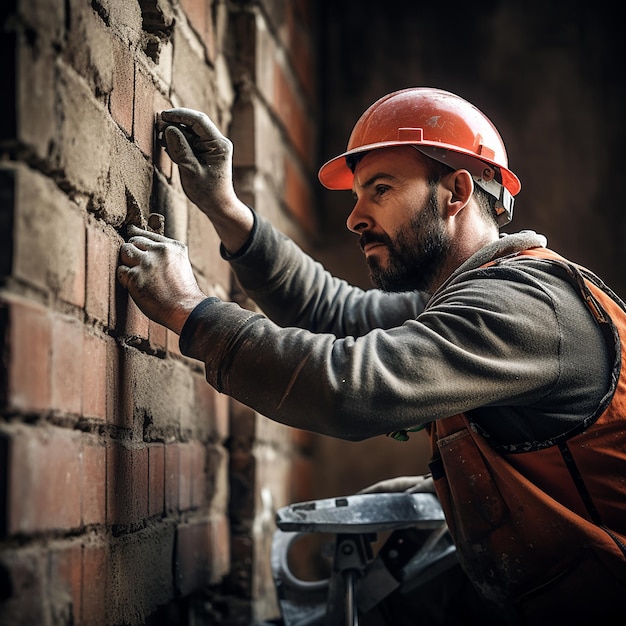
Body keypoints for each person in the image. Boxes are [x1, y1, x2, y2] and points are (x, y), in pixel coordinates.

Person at [117, 88, 626, 624]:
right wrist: (227, 210)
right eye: (357, 195)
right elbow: (337, 312)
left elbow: (350, 389)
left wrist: (188, 310)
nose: (355, 218)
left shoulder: (524, 306)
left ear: (455, 192)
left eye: (380, 189)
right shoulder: (461, 296)